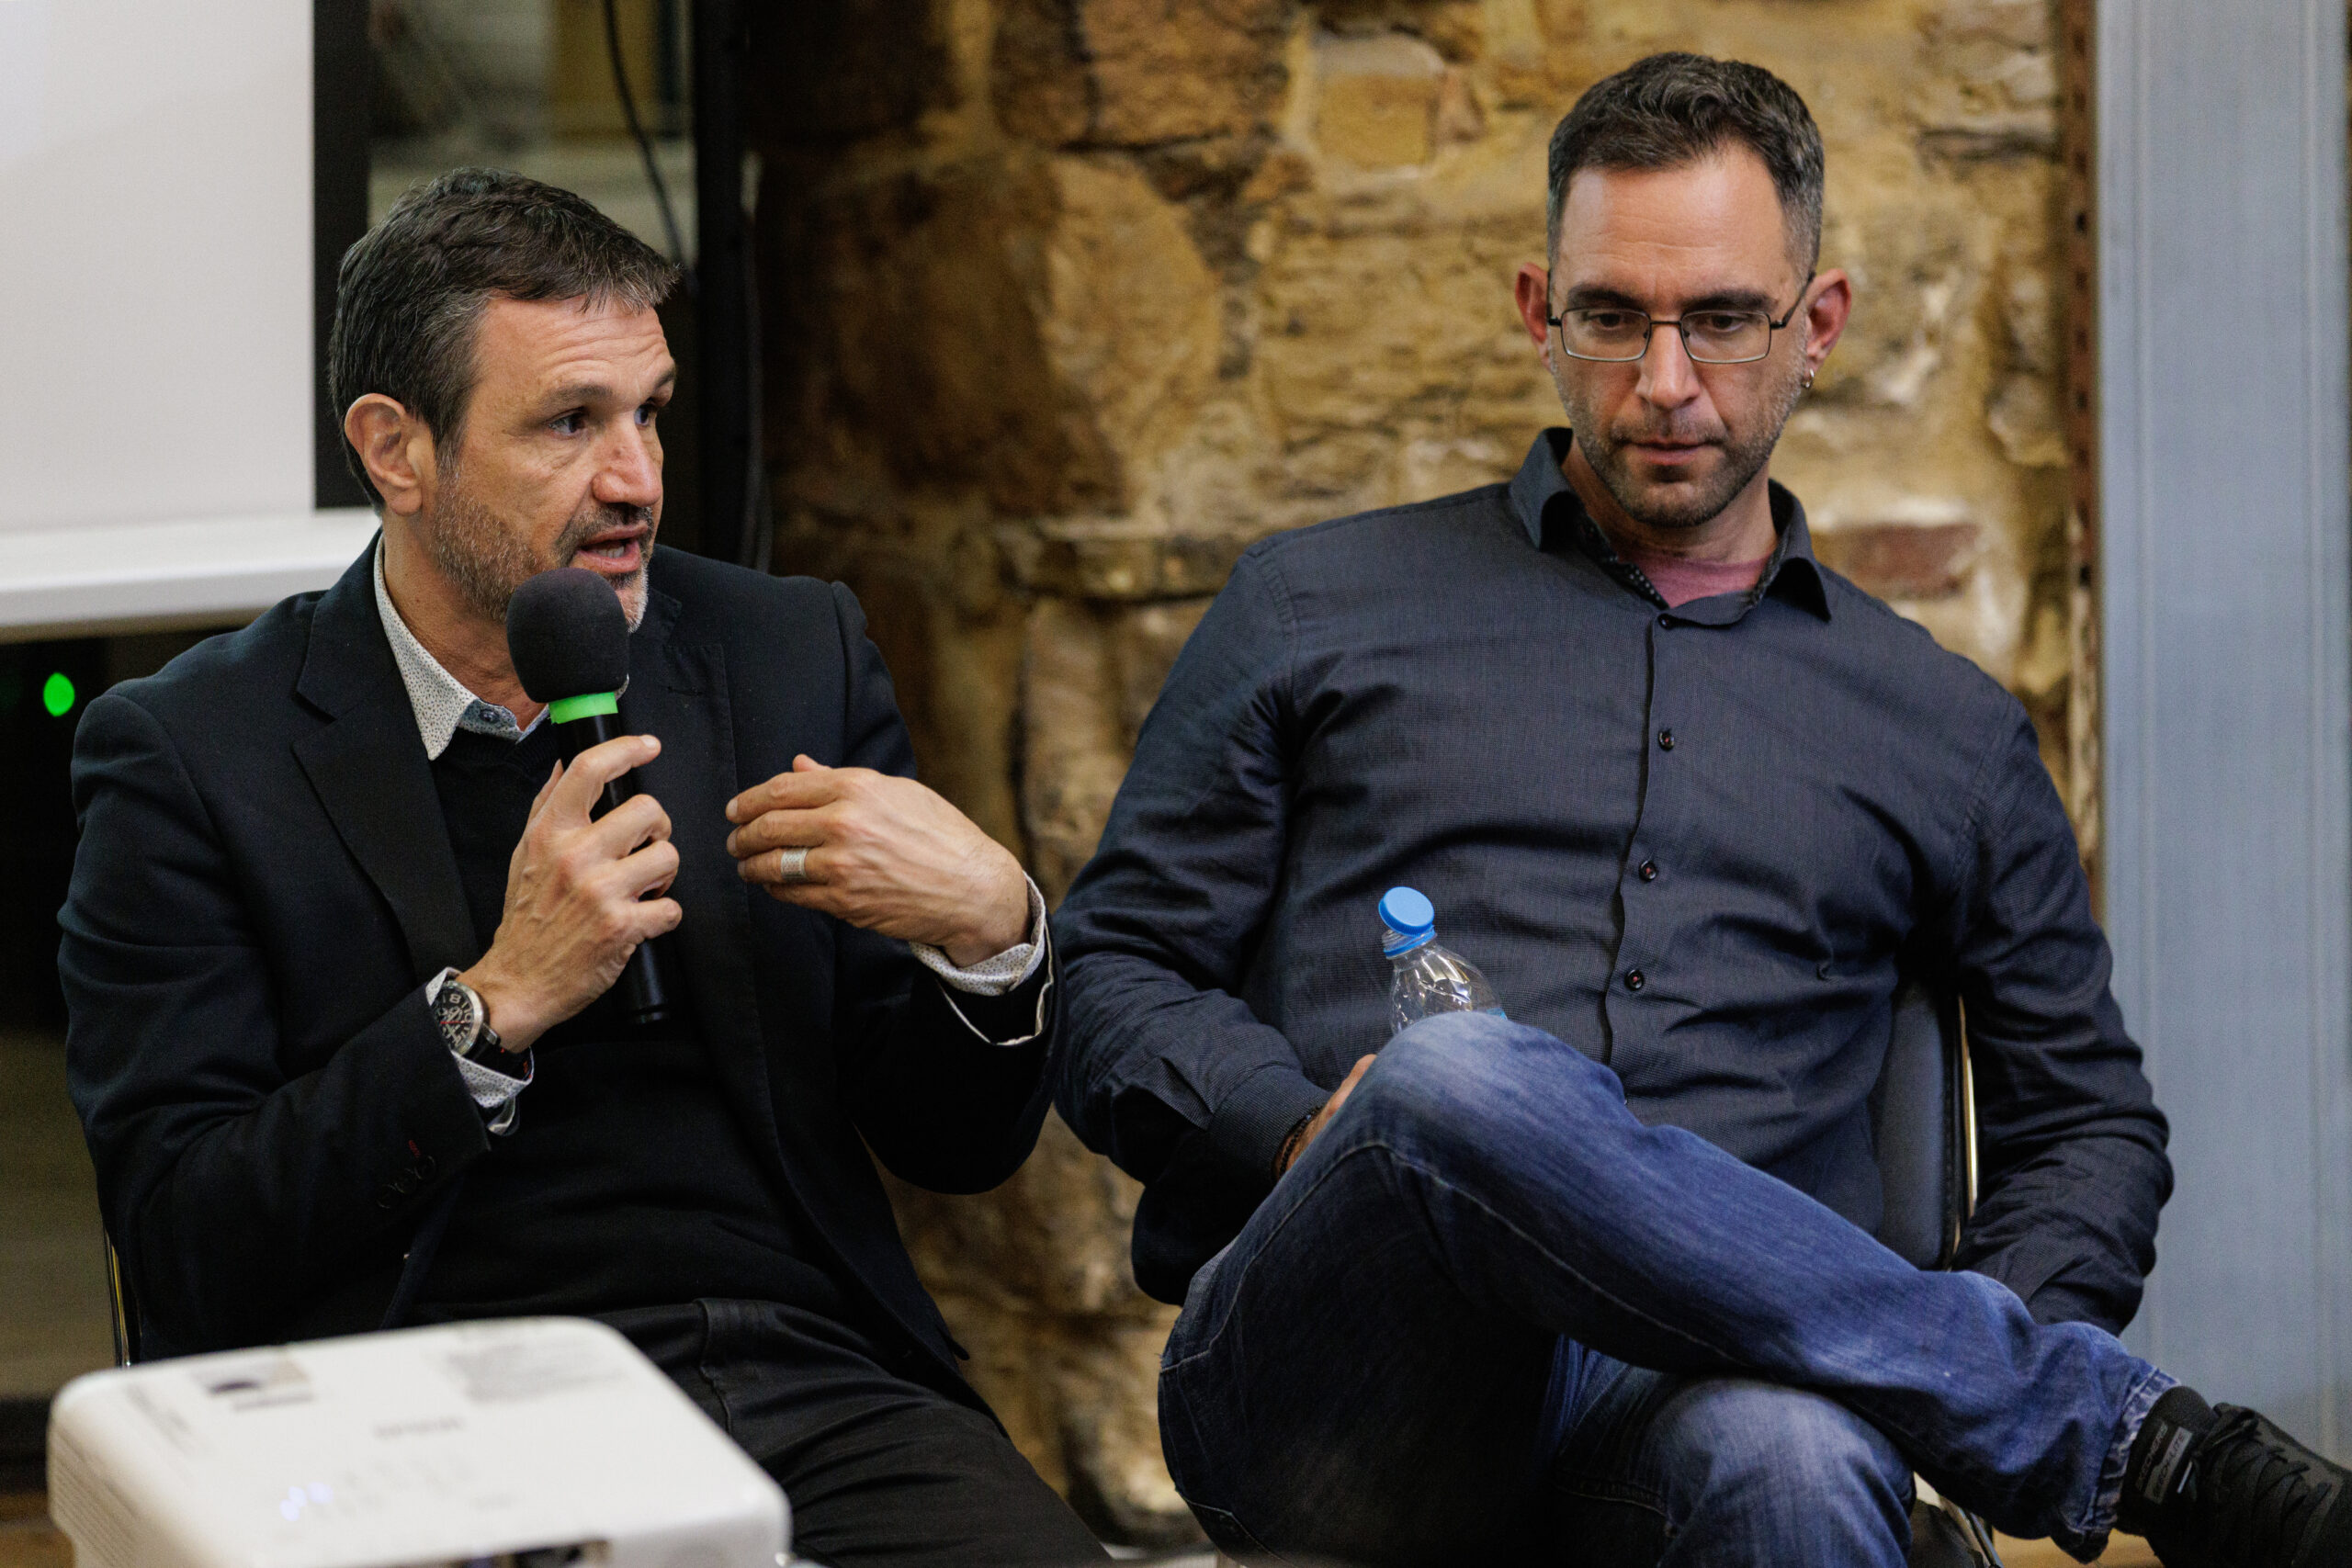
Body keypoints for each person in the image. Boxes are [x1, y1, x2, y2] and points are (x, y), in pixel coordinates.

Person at [1052, 52, 2350, 1568]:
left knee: (1798, 1456)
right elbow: (1109, 975)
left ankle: (1982, 1397)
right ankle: (2139, 1449)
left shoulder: (1942, 729)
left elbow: (2086, 1124)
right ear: (1539, 312)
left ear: (1820, 324)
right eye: (1613, 318)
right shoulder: (1311, 606)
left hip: (1710, 1407)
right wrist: (1304, 1135)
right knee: (1457, 1076)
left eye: (1724, 319)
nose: (1665, 382)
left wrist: (1944, 1351)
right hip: (1345, 1392)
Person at [62, 169, 1104, 1568]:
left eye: (650, 413)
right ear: (395, 450)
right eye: (570, 423)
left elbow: (952, 1146)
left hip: (798, 1377)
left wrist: (993, 939)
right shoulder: (193, 752)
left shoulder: (786, 654)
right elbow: (186, 1237)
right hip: (417, 1400)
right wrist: (491, 1006)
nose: (637, 482)